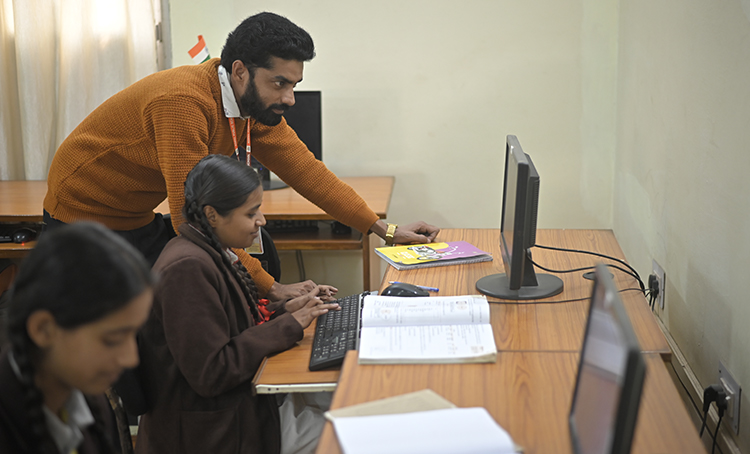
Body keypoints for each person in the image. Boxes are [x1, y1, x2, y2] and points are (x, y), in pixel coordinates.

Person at [43, 11, 440, 302]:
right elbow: (191, 222)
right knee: (165, 311)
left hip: (137, 216)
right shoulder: (182, 104)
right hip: (84, 221)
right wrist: (273, 289)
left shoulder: (253, 107)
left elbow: (308, 172)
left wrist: (384, 230)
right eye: (279, 83)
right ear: (239, 72)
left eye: (294, 84)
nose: (289, 98)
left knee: (251, 257)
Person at [135, 155, 340, 454]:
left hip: (235, 407)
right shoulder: (187, 269)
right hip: (213, 430)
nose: (261, 221)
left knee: (344, 395)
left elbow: (236, 324)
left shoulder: (210, 249)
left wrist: (288, 309)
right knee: (349, 429)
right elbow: (212, 372)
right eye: (251, 213)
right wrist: (289, 325)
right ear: (212, 215)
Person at [0, 222, 154, 454]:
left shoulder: (90, 401)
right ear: (43, 329)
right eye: (112, 339)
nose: (131, 358)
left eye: (134, 335)